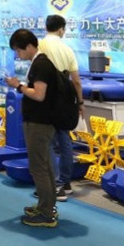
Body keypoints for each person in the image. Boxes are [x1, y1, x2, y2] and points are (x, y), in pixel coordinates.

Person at [5, 28, 59, 228]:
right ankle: (47, 205)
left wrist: (18, 86)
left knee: (38, 167)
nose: (18, 55)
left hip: (40, 123)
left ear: (29, 46)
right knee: (44, 165)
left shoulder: (41, 64)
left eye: (19, 50)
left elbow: (39, 95)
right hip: (40, 121)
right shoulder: (40, 63)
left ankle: (46, 212)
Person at [38, 14, 83, 201]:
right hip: (65, 99)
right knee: (64, 140)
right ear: (61, 29)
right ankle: (65, 182)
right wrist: (80, 103)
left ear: (46, 27)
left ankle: (55, 185)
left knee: (47, 141)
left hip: (45, 98)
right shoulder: (67, 50)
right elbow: (77, 81)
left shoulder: (39, 46)